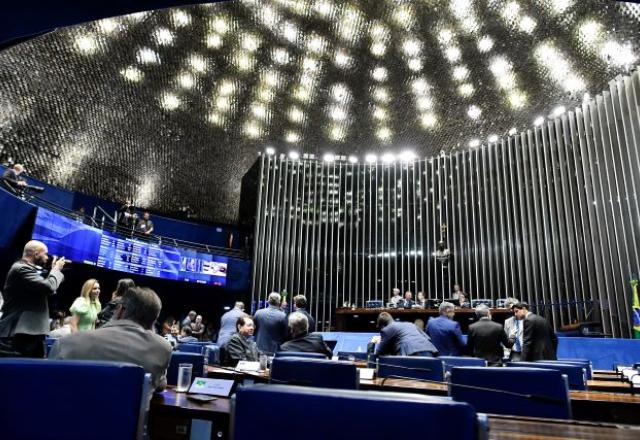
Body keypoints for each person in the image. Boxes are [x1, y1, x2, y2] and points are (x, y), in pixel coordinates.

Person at [49, 287, 172, 391]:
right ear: (153, 320)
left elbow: (48, 386)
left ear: (120, 311)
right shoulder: (162, 348)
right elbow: (160, 385)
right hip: (125, 419)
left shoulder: (66, 343)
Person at [0, 240, 67, 357]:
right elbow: (50, 287)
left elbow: (49, 289)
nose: (47, 257)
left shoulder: (28, 270)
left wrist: (54, 271)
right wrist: (56, 270)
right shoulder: (21, 268)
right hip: (19, 335)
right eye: (45, 254)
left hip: (31, 334)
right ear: (36, 254)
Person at [372, 312, 438, 357]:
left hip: (412, 354)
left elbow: (378, 354)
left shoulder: (387, 329)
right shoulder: (410, 324)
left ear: (383, 326)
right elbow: (428, 338)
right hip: (430, 351)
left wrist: (373, 343)